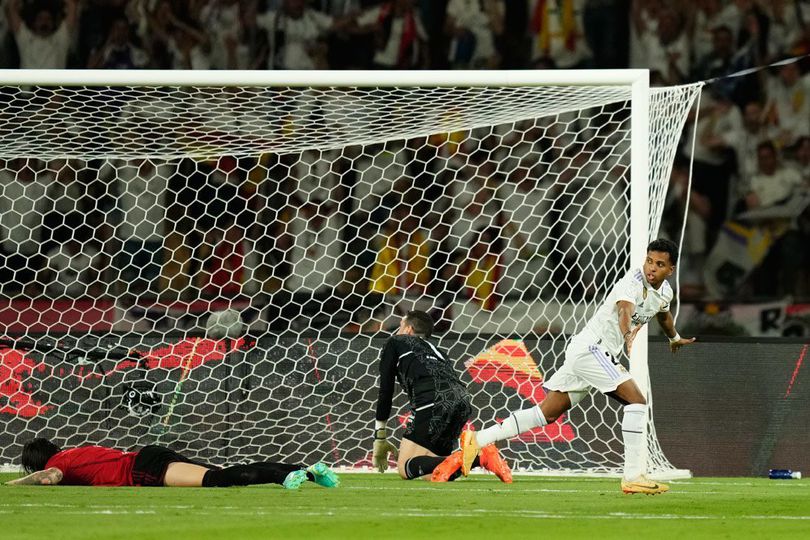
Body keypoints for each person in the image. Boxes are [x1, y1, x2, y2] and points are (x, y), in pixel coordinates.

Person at [458, 239, 696, 494]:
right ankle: (633, 475)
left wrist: (673, 337)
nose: (651, 268)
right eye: (649, 261)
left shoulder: (665, 292)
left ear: (670, 270)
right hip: (592, 348)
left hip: (586, 351)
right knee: (636, 401)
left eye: (659, 265)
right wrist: (627, 334)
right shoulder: (633, 281)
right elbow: (625, 309)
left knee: (546, 413)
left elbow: (663, 313)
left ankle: (479, 438)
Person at [372, 310, 512, 483]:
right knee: (434, 474)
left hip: (433, 400)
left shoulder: (395, 341)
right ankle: (481, 458)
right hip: (461, 400)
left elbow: (386, 389)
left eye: (400, 326)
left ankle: (480, 456)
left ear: (408, 329)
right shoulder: (438, 352)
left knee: (405, 467)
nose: (397, 331)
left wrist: (380, 437)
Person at [6, 438, 339, 490]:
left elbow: (50, 476)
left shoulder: (59, 464)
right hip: (146, 456)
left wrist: (16, 484)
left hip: (144, 469)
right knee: (221, 475)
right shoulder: (73, 452)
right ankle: (308, 470)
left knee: (218, 481)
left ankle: (286, 478)